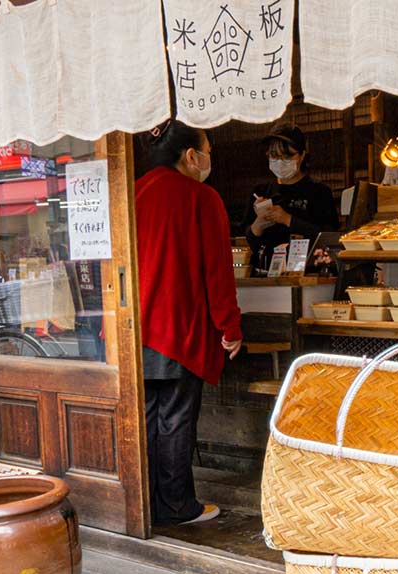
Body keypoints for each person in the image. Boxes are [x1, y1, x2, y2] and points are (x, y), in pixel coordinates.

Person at [136, 122, 242, 525]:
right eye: (207, 150)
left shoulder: (133, 192)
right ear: (190, 156)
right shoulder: (201, 197)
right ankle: (177, 506)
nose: (209, 159)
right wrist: (229, 328)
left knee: (145, 417)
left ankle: (143, 504)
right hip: (179, 327)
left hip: (135, 328)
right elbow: (218, 272)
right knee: (176, 418)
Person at [243, 123, 340, 272]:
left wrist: (288, 220)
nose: (280, 162)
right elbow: (247, 242)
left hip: (308, 275)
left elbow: (330, 238)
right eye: (274, 156)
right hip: (264, 276)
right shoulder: (260, 192)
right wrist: (258, 226)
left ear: (301, 156)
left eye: (287, 156)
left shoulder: (319, 191)